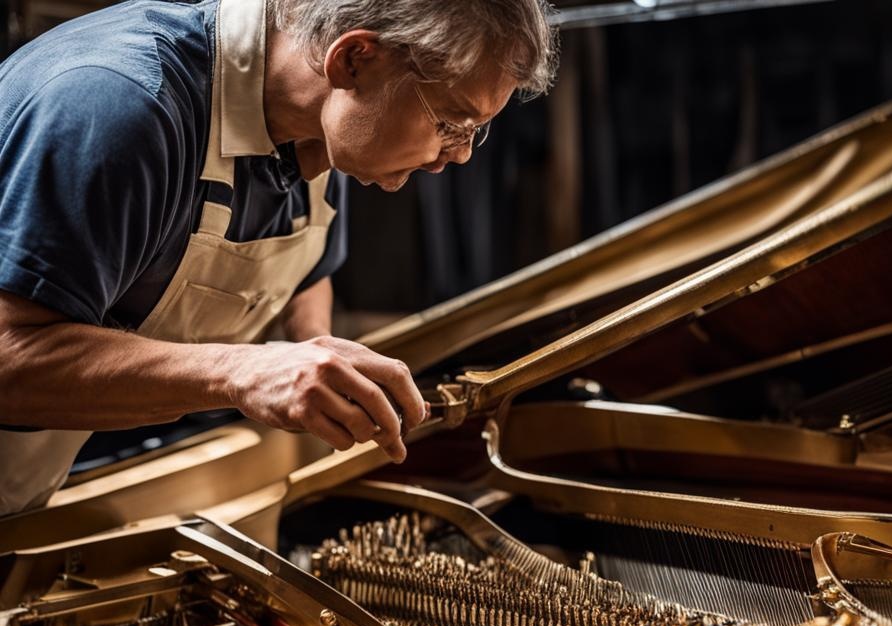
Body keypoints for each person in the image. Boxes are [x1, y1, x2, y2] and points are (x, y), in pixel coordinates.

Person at [0, 0, 557, 515]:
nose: (457, 155)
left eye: (474, 134)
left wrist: (316, 354)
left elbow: (302, 269)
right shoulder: (123, 109)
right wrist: (241, 372)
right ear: (355, 60)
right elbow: (10, 357)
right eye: (450, 123)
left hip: (74, 482)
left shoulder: (325, 125)